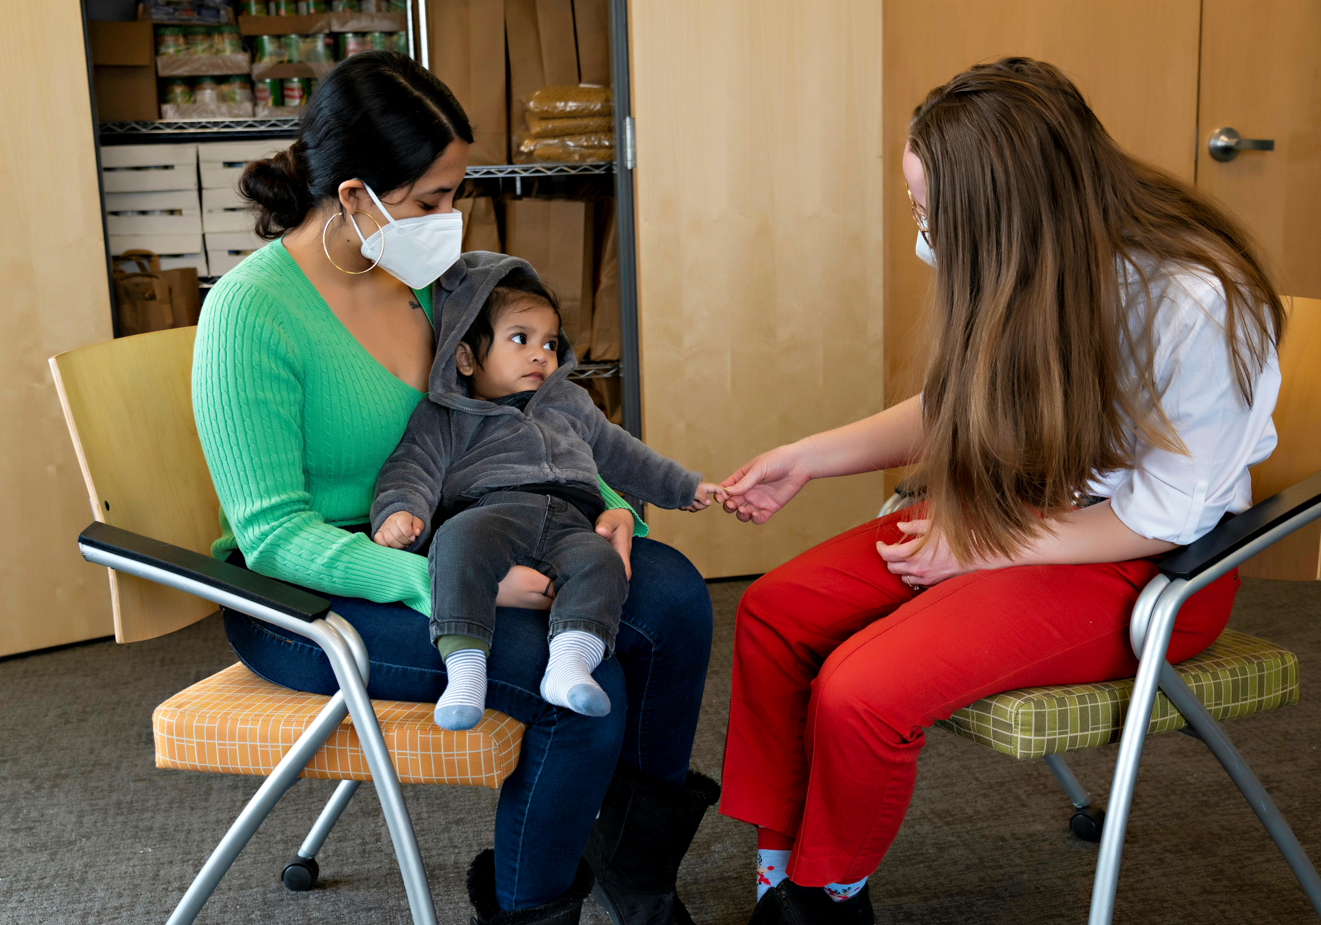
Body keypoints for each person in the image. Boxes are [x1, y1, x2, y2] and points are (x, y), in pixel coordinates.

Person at [716, 57, 1285, 925]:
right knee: (774, 613)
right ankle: (783, 873)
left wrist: (978, 545)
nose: (922, 235)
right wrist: (808, 455)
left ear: (1005, 212)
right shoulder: (1031, 258)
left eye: (931, 214)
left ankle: (825, 898)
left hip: (1147, 563)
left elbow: (1163, 511)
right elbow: (964, 403)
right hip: (1020, 510)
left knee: (860, 690)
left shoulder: (1193, 303)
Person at [192, 50, 718, 925]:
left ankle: (634, 870)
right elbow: (274, 534)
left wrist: (612, 508)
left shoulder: (431, 285)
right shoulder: (251, 312)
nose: (451, 219)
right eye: (431, 200)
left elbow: (534, 405)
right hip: (306, 596)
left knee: (672, 603)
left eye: (455, 192)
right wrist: (446, 579)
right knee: (582, 704)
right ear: (354, 193)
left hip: (472, 526)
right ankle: (529, 911)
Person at [370, 253, 723, 730]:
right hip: (492, 513)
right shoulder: (446, 415)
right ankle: (466, 669)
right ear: (467, 357)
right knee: (455, 545)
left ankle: (570, 663)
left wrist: (682, 486)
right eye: (521, 339)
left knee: (605, 567)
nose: (542, 354)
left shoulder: (570, 403)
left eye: (551, 343)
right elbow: (412, 467)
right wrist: (400, 511)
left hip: (571, 520)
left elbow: (623, 453)